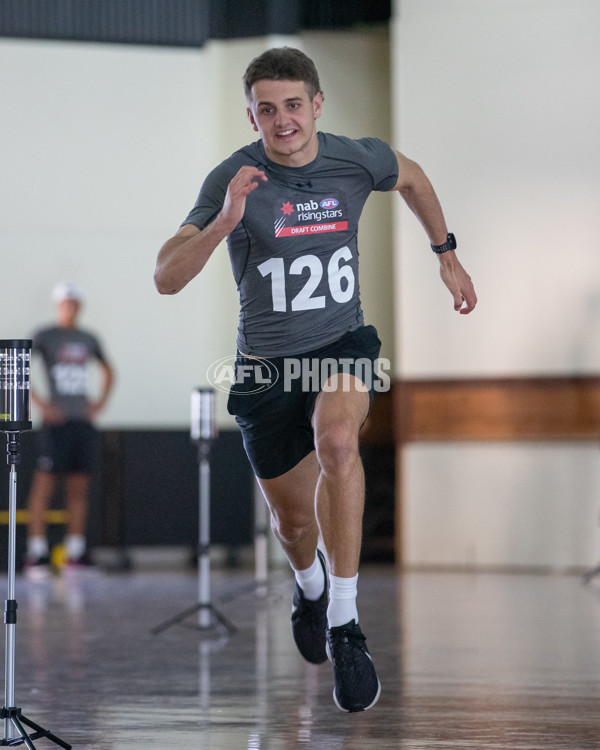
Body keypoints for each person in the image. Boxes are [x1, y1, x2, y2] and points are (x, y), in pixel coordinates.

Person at [154, 47, 476, 712]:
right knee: (294, 525)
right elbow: (165, 277)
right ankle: (309, 587)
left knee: (338, 442)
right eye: (266, 109)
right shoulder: (232, 178)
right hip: (267, 370)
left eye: (293, 105)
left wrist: (446, 254)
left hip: (342, 344)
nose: (282, 120)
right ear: (252, 115)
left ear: (317, 104)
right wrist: (224, 223)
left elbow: (413, 179)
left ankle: (346, 625)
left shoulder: (355, 159)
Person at [24, 282, 115, 579]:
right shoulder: (45, 335)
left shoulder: (88, 338)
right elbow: (21, 366)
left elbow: (108, 369)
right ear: (58, 305)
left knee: (79, 488)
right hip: (56, 423)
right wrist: (40, 403)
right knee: (44, 486)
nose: (70, 307)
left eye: (74, 302)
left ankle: (75, 552)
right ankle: (37, 553)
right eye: (65, 302)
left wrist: (99, 403)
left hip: (82, 422)